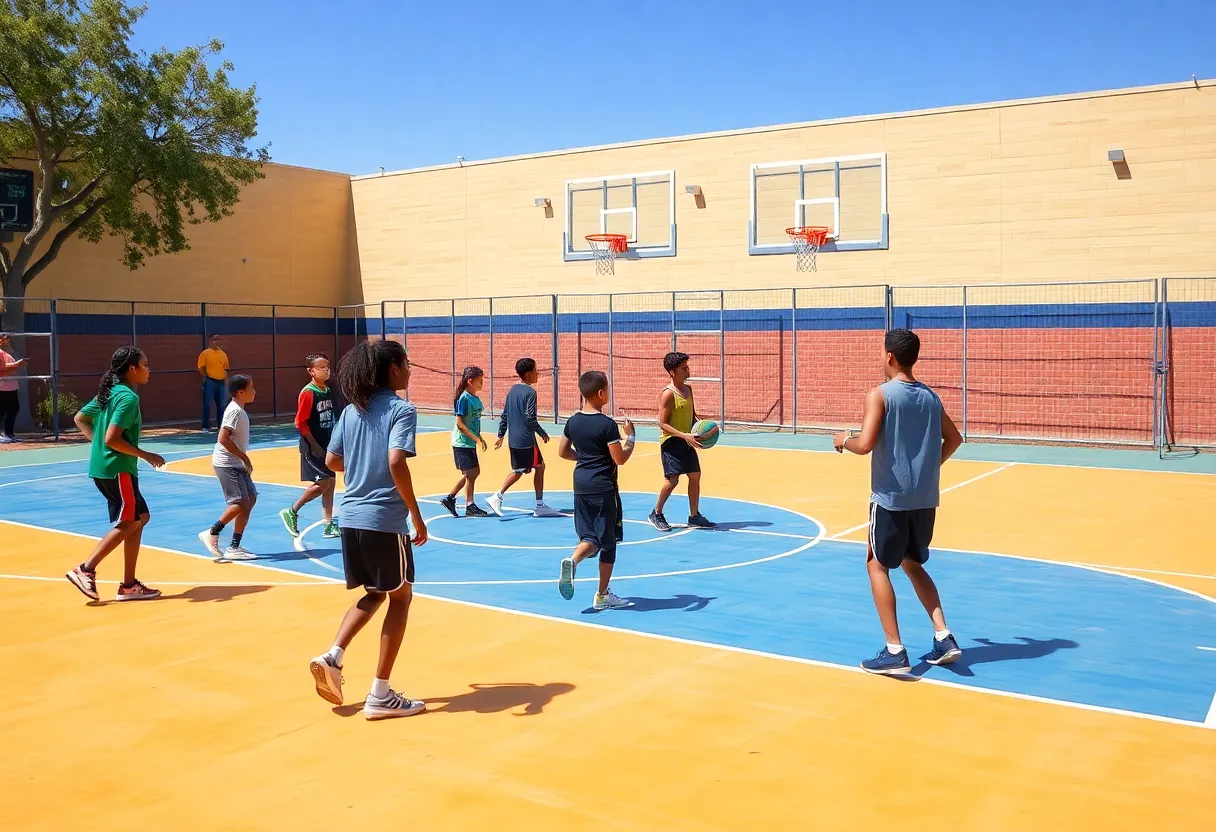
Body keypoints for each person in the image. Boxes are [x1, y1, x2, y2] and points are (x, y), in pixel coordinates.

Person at [309, 340, 429, 720]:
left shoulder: (352, 413)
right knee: (401, 598)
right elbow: (396, 460)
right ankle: (380, 694)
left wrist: (363, 462)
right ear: (393, 369)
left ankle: (333, 655)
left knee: (377, 592)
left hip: (351, 517)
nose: (410, 370)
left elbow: (332, 460)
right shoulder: (401, 410)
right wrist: (415, 514)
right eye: (407, 364)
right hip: (383, 519)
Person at [834, 329, 965, 675]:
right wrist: (928, 469)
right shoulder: (931, 397)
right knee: (912, 563)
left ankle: (894, 650)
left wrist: (842, 438)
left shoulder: (879, 395)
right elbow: (955, 438)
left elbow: (864, 444)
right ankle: (944, 635)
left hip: (891, 498)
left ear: (889, 356)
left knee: (876, 564)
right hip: (924, 499)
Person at [65, 347, 166, 602]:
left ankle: (129, 585)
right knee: (131, 521)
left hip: (107, 468)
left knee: (140, 517)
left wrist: (98, 445)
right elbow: (112, 439)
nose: (148, 369)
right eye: (145, 364)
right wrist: (146, 455)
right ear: (132, 369)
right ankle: (85, 569)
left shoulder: (108, 393)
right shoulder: (128, 398)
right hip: (117, 470)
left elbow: (80, 418)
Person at [557, 370, 636, 611]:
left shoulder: (573, 421)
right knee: (608, 543)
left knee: (591, 537)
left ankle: (573, 560)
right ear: (601, 394)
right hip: (603, 487)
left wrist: (585, 457)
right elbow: (620, 458)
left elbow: (562, 451)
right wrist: (631, 437)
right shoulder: (607, 425)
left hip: (580, 484)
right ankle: (602, 595)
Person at [487, 357, 561, 518]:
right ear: (527, 374)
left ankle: (540, 505)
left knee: (538, 467)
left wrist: (501, 435)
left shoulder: (512, 390)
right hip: (526, 440)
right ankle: (497, 496)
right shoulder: (530, 393)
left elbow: (505, 415)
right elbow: (529, 417)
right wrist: (542, 432)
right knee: (520, 470)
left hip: (515, 440)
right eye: (535, 371)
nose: (538, 373)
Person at [649, 351, 715, 532]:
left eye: (688, 367)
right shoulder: (668, 394)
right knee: (672, 480)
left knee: (695, 475)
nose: (688, 371)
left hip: (686, 439)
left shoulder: (689, 389)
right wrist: (685, 436)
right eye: (683, 368)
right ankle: (656, 513)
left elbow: (692, 416)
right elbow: (662, 424)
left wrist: (702, 429)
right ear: (672, 372)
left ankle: (694, 516)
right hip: (671, 442)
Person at [198, 375, 259, 561]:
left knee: (251, 499)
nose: (254, 391)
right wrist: (243, 456)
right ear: (241, 392)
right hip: (226, 463)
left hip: (236, 463)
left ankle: (234, 546)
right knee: (240, 502)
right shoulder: (235, 411)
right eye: (252, 388)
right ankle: (212, 531)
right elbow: (222, 438)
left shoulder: (240, 410)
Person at [280, 354, 339, 539]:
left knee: (331, 483)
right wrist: (313, 444)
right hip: (312, 447)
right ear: (311, 371)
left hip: (326, 444)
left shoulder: (327, 390)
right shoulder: (309, 392)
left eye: (327, 366)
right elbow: (300, 422)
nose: (326, 370)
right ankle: (292, 510)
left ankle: (328, 524)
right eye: (321, 367)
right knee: (323, 483)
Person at [440, 366, 489, 518]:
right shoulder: (464, 399)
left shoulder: (475, 398)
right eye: (479, 380)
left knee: (473, 473)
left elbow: (474, 421)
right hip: (462, 443)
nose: (482, 383)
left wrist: (479, 438)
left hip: (470, 442)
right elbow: (460, 425)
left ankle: (450, 498)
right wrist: (476, 439)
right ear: (470, 381)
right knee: (471, 473)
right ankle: (470, 506)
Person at [0, 332, 28, 443]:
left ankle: (9, 433)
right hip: (3, 387)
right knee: (1, 411)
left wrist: (19, 364)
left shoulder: (7, 353)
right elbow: (2, 368)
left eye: (7, 339)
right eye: (5, 339)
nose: (7, 341)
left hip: (11, 387)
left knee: (14, 408)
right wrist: (17, 364)